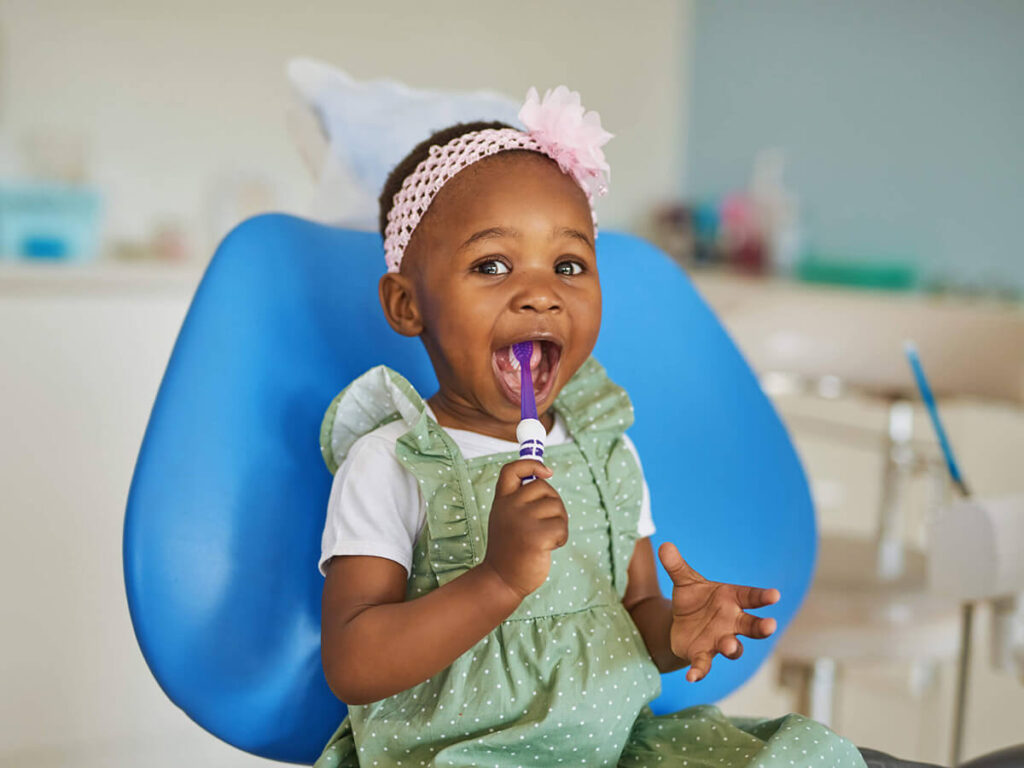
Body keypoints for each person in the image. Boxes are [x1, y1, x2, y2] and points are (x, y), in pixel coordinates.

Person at [314, 85, 867, 767]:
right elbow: (354, 662)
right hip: (461, 756)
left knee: (805, 756)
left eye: (569, 265)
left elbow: (636, 610)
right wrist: (497, 579)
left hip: (613, 751)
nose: (541, 291)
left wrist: (675, 629)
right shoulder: (394, 459)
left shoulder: (607, 452)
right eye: (492, 265)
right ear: (406, 305)